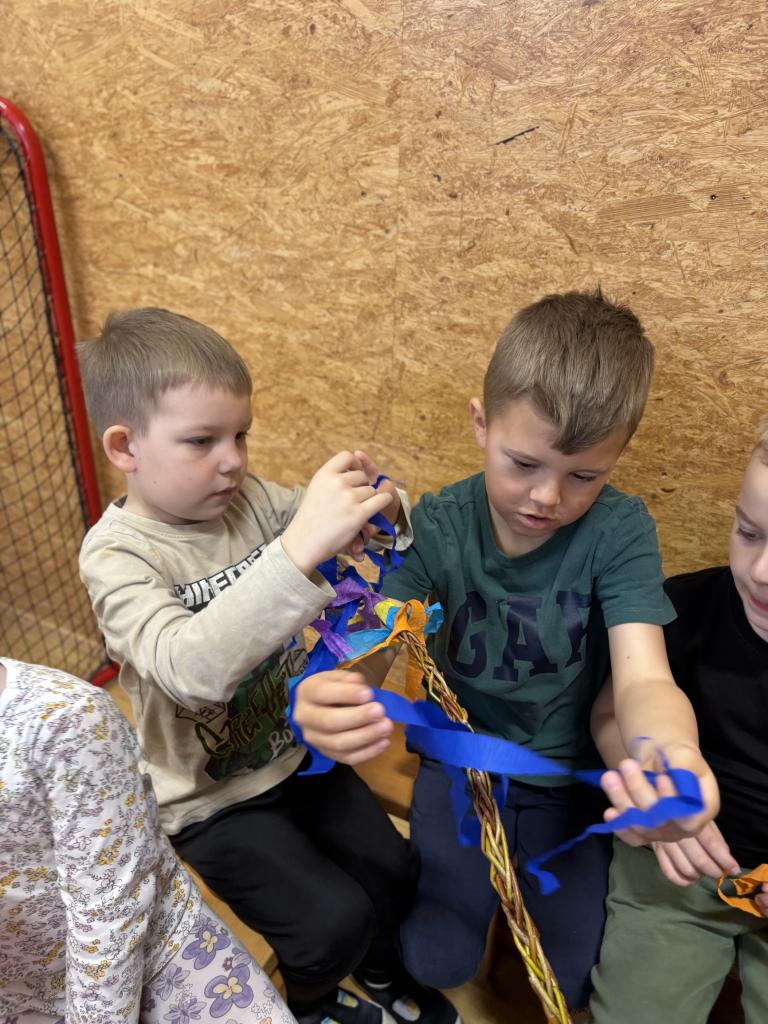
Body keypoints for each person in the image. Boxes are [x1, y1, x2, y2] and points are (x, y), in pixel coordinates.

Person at [292, 288, 720, 1010]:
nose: (547, 497)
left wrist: (671, 753)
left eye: (583, 476)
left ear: (616, 458)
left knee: (571, 977)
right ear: (481, 424)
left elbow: (644, 678)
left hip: (568, 779)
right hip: (461, 769)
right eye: (523, 463)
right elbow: (373, 640)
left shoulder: (620, 532)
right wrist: (334, 689)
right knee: (436, 960)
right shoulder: (439, 526)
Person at [77, 308, 459, 1024]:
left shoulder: (249, 501)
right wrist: (298, 549)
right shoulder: (119, 556)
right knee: (328, 924)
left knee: (392, 870)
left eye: (241, 435)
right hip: (209, 799)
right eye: (203, 440)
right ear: (126, 447)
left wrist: (382, 507)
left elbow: (347, 525)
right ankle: (311, 1003)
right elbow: (188, 669)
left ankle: (380, 976)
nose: (233, 460)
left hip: (293, 756)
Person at [586, 415, 768, 1024]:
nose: (760, 571)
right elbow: (612, 711)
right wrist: (649, 777)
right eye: (748, 532)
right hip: (676, 869)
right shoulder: (686, 608)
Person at [0, 655, 296, 1024]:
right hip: (27, 992)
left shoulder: (64, 718)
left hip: (153, 952)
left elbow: (110, 912)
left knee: (331, 922)